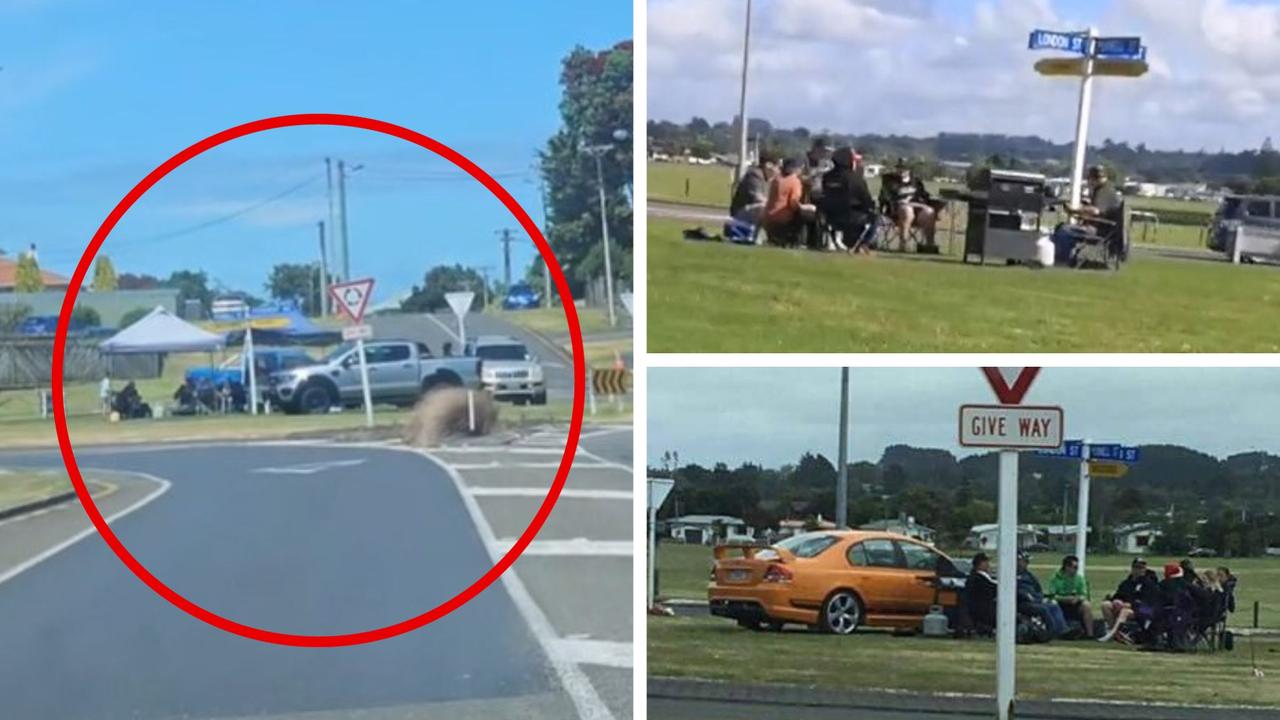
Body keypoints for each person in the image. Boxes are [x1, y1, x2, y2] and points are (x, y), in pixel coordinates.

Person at [1052, 165, 1123, 265]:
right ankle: (1066, 257)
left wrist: (1076, 210)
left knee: (1064, 230)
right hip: (1105, 228)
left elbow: (1095, 211)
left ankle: (1063, 260)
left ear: (1093, 179)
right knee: (1063, 228)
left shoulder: (1104, 191)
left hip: (1099, 230)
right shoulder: (1106, 190)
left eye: (1090, 179)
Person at [818, 146, 876, 253]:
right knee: (874, 218)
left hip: (831, 217)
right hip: (852, 217)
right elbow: (866, 199)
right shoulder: (856, 179)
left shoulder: (827, 177)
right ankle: (863, 244)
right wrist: (871, 207)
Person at [1099, 556, 1159, 643]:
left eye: (1142, 568)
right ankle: (1116, 634)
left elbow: (1148, 601)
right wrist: (1115, 601)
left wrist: (1131, 604)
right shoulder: (1126, 583)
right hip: (1127, 607)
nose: (1140, 570)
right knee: (1106, 605)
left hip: (1145, 609)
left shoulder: (1149, 583)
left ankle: (1112, 634)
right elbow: (1119, 595)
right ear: (1133, 568)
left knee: (1125, 611)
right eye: (1137, 567)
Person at [884, 158, 938, 250]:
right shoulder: (890, 181)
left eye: (904, 168)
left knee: (929, 212)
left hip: (917, 208)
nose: (901, 170)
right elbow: (894, 199)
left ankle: (930, 245)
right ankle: (903, 243)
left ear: (909, 169)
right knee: (907, 211)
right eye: (899, 168)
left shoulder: (916, 182)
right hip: (897, 211)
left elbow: (924, 196)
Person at [1015, 551, 1067, 638]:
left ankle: (1062, 630)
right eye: (1025, 561)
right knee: (1043, 609)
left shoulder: (1028, 575)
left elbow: (1038, 589)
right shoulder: (1011, 574)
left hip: (1035, 599)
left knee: (1053, 605)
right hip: (1022, 602)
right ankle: (1051, 632)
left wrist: (1040, 597)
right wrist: (1028, 596)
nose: (1027, 563)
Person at [1046, 554, 1094, 637]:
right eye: (1074, 567)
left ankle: (1090, 634)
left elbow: (1084, 594)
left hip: (1075, 604)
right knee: (1052, 603)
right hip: (1060, 604)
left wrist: (1078, 598)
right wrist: (1065, 599)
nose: (1076, 570)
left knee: (1086, 605)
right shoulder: (1055, 578)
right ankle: (1060, 630)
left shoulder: (1079, 579)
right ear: (1067, 567)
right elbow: (1052, 595)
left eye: (1077, 567)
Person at [761, 158, 806, 246]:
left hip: (768, 218)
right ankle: (799, 241)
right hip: (782, 219)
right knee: (804, 216)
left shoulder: (776, 180)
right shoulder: (794, 181)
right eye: (801, 169)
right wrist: (803, 208)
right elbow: (793, 202)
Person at [729, 151, 779, 227]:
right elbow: (757, 197)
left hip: (749, 211)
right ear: (768, 165)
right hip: (740, 213)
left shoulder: (765, 178)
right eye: (777, 167)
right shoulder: (755, 175)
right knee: (764, 207)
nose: (778, 171)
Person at [965, 552, 998, 634]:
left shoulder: (982, 576)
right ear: (981, 563)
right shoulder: (978, 578)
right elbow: (992, 589)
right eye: (986, 562)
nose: (988, 564)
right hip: (984, 610)